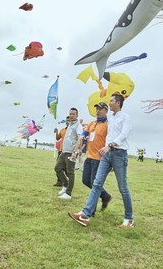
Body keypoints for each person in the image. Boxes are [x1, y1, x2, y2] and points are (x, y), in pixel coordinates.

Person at [69, 93, 134, 228]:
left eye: (111, 101)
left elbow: (124, 134)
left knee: (123, 187)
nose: (109, 103)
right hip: (106, 155)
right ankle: (85, 215)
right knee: (97, 184)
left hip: (119, 154)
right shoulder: (109, 117)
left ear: (118, 103)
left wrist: (109, 146)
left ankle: (129, 219)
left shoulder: (125, 117)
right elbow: (98, 125)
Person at [78, 102, 112, 215]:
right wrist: (82, 136)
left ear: (106, 111)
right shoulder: (92, 123)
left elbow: (110, 142)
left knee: (94, 183)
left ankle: (91, 210)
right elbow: (85, 132)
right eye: (97, 108)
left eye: (100, 109)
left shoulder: (108, 125)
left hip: (99, 158)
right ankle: (105, 196)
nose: (97, 111)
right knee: (86, 181)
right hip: (89, 156)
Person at [54, 108, 83, 200]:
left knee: (70, 172)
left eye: (73, 114)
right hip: (64, 151)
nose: (71, 115)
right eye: (70, 114)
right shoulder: (69, 125)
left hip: (71, 152)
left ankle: (68, 193)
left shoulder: (78, 126)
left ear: (77, 116)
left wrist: (76, 151)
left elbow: (79, 138)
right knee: (57, 168)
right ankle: (66, 185)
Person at [53, 118, 70, 187]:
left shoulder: (72, 130)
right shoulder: (63, 130)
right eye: (66, 120)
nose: (67, 121)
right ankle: (59, 181)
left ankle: (69, 181)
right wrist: (56, 132)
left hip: (68, 151)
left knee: (67, 168)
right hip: (61, 151)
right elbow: (58, 138)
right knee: (58, 167)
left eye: (69, 120)